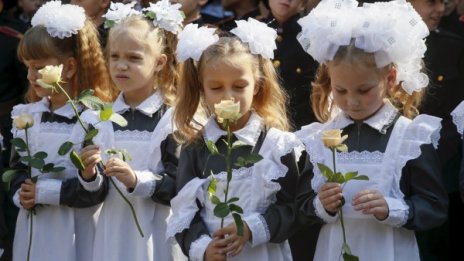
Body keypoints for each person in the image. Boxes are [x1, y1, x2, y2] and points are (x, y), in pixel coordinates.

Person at [296, 0, 449, 260]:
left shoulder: (409, 137)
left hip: (390, 251)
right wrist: (321, 204)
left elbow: (434, 206)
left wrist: (393, 209)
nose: (352, 101)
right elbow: (300, 206)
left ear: (389, 78)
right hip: (334, 251)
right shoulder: (320, 137)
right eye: (340, 91)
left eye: (364, 90)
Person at [167, 19, 301, 261]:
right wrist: (204, 247)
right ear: (202, 89)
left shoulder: (276, 145)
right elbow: (184, 212)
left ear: (257, 86)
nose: (228, 97)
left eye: (239, 86)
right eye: (216, 88)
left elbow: (293, 207)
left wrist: (252, 228)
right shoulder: (195, 148)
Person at [78, 1, 186, 260]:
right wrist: (89, 174)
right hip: (112, 231)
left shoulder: (173, 119)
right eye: (115, 56)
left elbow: (181, 186)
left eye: (134, 58)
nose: (121, 65)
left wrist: (137, 180)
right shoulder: (97, 118)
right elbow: (92, 193)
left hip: (157, 232)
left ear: (160, 62)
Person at [9, 1, 115, 261]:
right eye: (28, 67)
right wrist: (20, 193)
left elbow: (98, 189)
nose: (31, 76)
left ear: (69, 66)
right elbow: (17, 166)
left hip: (75, 232)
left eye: (39, 67)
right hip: (34, 227)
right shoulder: (27, 115)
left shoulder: (91, 118)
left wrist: (45, 191)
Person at [407, 0, 464, 259]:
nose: (440, 9)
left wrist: (431, 158)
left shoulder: (455, 46)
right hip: (393, 169)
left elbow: (458, 116)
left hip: (442, 167)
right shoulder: (382, 49)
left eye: (444, 2)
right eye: (431, 2)